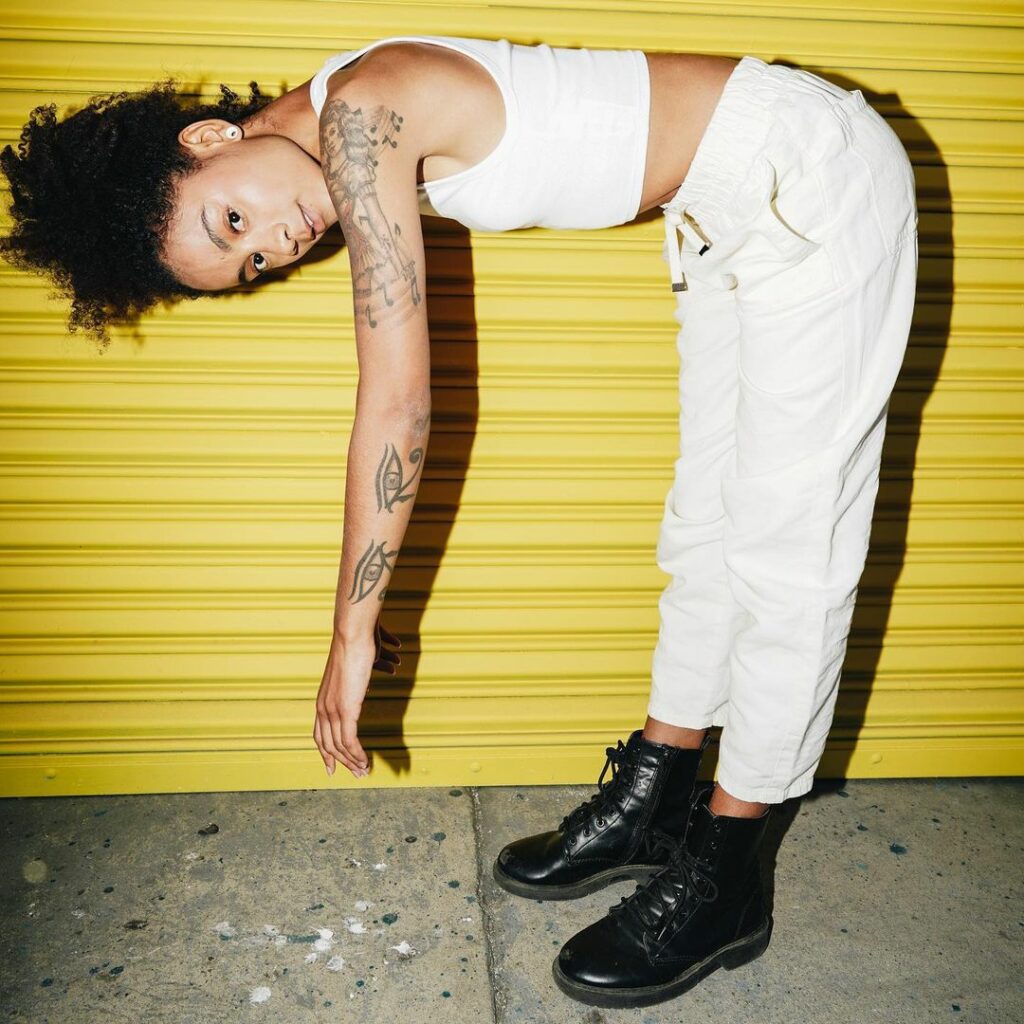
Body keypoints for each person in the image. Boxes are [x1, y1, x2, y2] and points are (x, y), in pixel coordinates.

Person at [0, 34, 918, 1009]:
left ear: (210, 137)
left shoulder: (362, 111)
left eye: (233, 220)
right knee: (706, 520)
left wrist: (351, 632)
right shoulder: (343, 121)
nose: (275, 245)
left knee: (789, 542)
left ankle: (728, 870)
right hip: (723, 212)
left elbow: (398, 404)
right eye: (252, 262)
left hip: (807, 179)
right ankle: (656, 793)